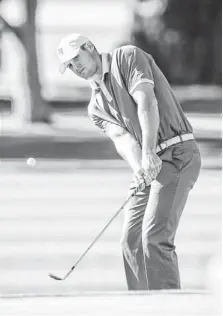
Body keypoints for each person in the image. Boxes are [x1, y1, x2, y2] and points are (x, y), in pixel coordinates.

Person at [56, 33, 201, 290]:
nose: (75, 67)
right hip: (151, 161)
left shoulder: (127, 57)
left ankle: (168, 308)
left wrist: (148, 154)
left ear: (90, 47)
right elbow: (122, 138)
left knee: (154, 238)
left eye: (76, 58)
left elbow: (147, 102)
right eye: (69, 65)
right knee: (130, 239)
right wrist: (140, 169)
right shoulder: (96, 106)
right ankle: (142, 305)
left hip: (177, 152)